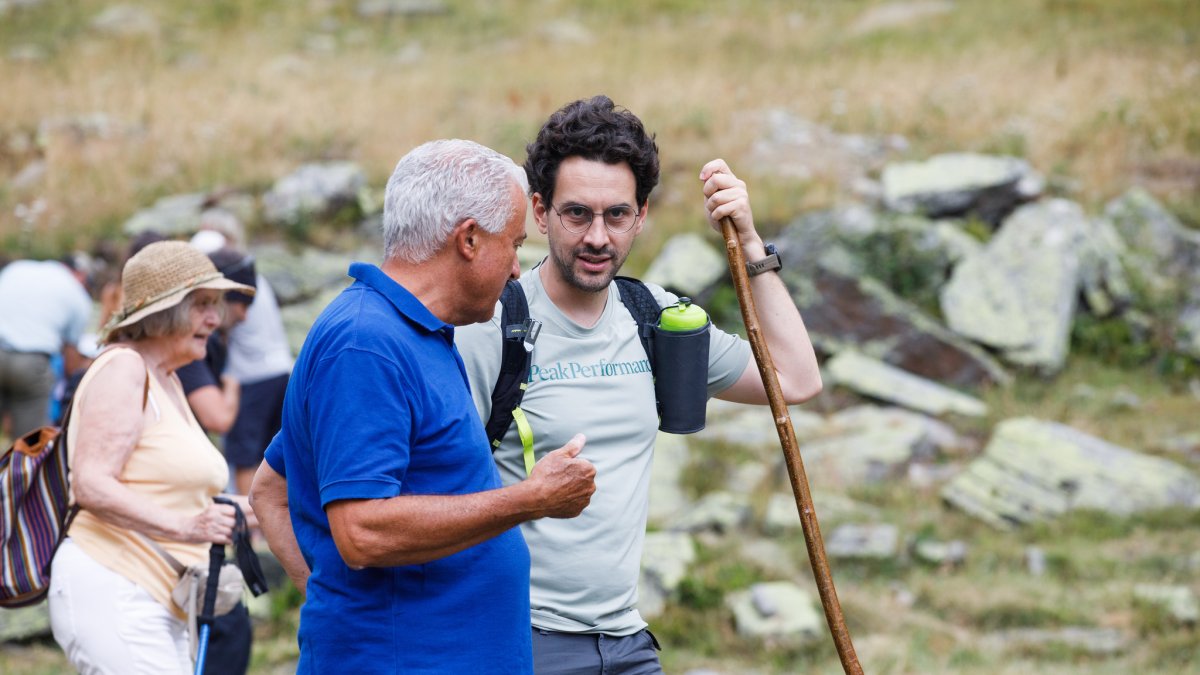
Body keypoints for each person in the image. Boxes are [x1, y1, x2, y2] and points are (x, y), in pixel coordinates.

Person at [454, 95, 824, 674]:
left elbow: (795, 379)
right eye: (577, 213)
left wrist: (751, 246)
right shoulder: (491, 329)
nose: (598, 237)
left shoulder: (653, 317)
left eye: (617, 215)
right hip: (520, 640)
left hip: (628, 644)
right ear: (539, 210)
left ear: (641, 215)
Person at [248, 139, 598, 674]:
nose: (514, 271)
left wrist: (336, 602)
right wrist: (531, 499)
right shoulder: (365, 344)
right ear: (469, 239)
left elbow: (271, 485)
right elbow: (361, 530)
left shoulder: (417, 334)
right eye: (514, 245)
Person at [48, 241, 258, 674]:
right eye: (201, 305)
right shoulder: (124, 368)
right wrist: (188, 527)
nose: (216, 319)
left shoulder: (169, 381)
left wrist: (282, 508)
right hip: (115, 587)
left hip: (162, 601)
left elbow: (189, 501)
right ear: (163, 311)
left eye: (215, 305)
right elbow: (90, 483)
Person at [173, 245, 259, 675]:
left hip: (192, 519)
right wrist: (233, 382)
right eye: (236, 303)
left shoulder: (187, 360)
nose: (237, 315)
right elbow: (219, 416)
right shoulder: (186, 363)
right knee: (227, 629)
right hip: (170, 543)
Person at [0, 255, 93, 441]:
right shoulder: (76, 293)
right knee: (28, 445)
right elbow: (71, 357)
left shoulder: (17, 268)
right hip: (32, 363)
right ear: (81, 275)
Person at [176, 247, 257, 436]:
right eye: (243, 305)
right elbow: (219, 419)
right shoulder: (186, 349)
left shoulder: (211, 345)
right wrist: (231, 384)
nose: (245, 317)